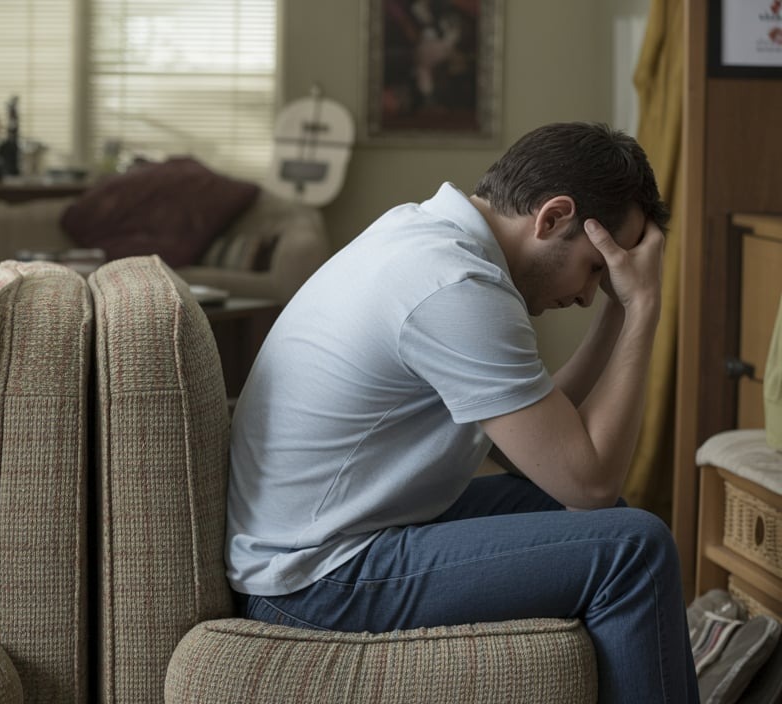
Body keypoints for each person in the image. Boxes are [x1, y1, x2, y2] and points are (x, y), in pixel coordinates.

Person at [226, 122, 697, 702]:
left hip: (321, 543)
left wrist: (618, 311)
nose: (585, 294)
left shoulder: (425, 237)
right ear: (551, 218)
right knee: (635, 549)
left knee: (593, 520)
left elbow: (533, 455)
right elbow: (590, 482)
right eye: (596, 268)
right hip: (313, 580)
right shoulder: (455, 286)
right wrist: (645, 305)